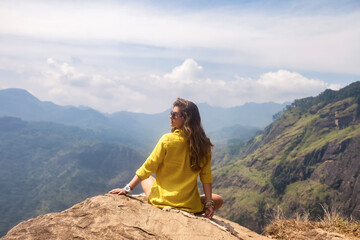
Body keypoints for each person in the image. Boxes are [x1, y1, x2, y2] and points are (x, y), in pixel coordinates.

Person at [109, 98, 223, 219]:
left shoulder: (167, 140)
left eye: (174, 114)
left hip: (162, 201)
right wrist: (209, 204)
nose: (170, 117)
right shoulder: (203, 146)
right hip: (188, 205)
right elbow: (206, 178)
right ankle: (188, 201)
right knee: (218, 199)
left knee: (146, 179)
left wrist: (127, 189)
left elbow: (147, 167)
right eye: (171, 113)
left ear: (186, 118)